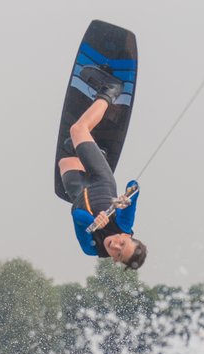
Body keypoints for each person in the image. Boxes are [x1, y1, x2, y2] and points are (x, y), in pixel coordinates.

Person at [57, 66, 147, 269]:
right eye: (122, 243)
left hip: (77, 191)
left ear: (116, 260)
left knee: (65, 159)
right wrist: (128, 198)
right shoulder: (123, 225)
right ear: (126, 235)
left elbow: (76, 214)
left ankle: (91, 147)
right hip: (100, 180)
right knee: (77, 129)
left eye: (117, 252)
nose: (114, 245)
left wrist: (93, 220)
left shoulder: (91, 248)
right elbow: (135, 186)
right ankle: (110, 90)